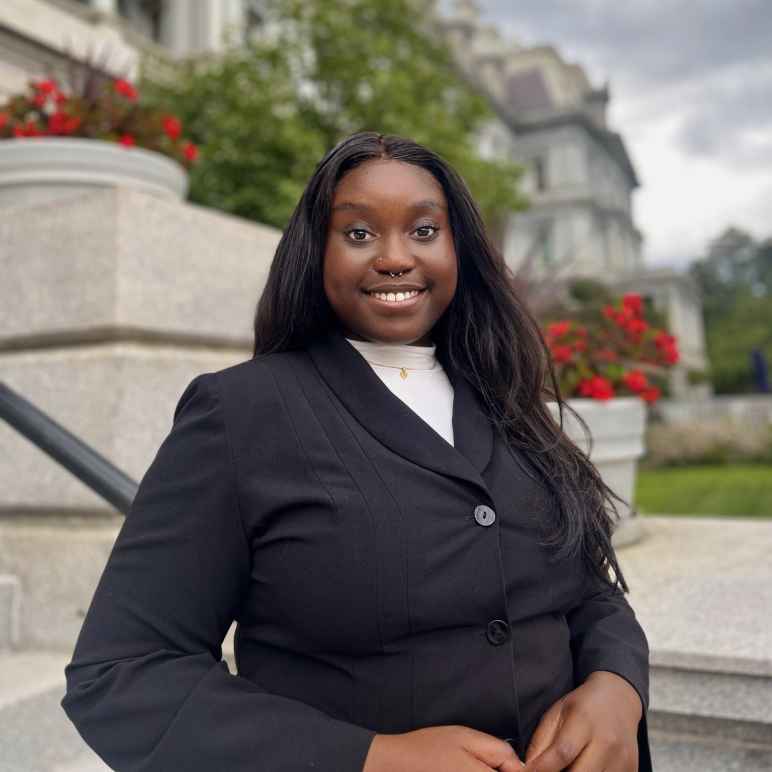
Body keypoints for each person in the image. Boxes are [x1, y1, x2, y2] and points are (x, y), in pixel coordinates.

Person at [61, 131, 651, 772]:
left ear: (461, 250)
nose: (396, 257)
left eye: (424, 231)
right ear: (317, 251)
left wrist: (619, 686)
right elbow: (121, 675)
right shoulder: (241, 414)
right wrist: (368, 758)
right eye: (360, 233)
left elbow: (587, 589)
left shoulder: (506, 399)